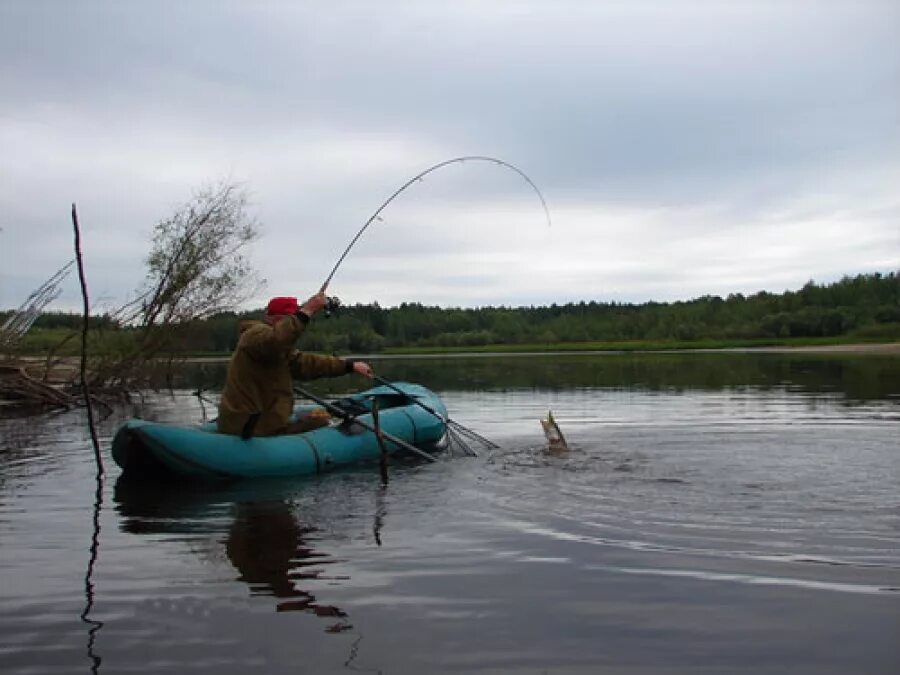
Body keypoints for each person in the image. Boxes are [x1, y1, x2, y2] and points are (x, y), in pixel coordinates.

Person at [217, 292, 374, 438]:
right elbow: (277, 340)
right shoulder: (256, 335)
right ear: (281, 320)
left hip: (252, 424)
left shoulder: (275, 349)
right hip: (254, 429)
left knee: (318, 416)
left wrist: (349, 366)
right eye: (291, 319)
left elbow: (308, 364)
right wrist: (308, 310)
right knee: (321, 421)